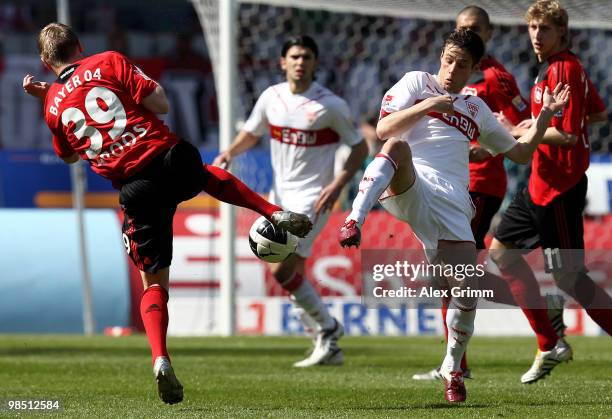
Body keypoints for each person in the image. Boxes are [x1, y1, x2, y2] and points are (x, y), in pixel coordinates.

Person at [23, 23, 313, 405]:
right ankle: (272, 211)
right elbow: (160, 103)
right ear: (80, 45)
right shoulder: (108, 60)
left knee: (154, 283)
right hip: (166, 157)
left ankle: (160, 358)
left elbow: (68, 155)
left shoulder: (52, 104)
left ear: (46, 62)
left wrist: (52, 96)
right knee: (204, 174)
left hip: (134, 189)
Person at [338, 29, 569, 402]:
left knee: (466, 291)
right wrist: (428, 107)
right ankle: (354, 220)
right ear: (440, 56)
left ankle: (452, 368)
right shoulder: (417, 82)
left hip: (454, 204)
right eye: (447, 59)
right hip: (411, 183)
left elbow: (521, 154)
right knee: (396, 145)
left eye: (461, 65)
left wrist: (544, 117)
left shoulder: (476, 108)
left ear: (475, 68)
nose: (450, 70)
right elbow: (383, 130)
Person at [213, 35, 368, 367]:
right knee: (287, 269)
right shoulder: (271, 97)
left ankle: (327, 328)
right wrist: (230, 151)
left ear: (315, 63)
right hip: (279, 196)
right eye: (295, 56)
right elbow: (253, 132)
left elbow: (360, 147)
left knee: (281, 269)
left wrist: (340, 182)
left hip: (315, 197)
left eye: (307, 57)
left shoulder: (331, 105)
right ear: (283, 62)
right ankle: (326, 344)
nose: (301, 62)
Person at [489, 0, 612, 384]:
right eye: (532, 29)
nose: (537, 36)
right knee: (501, 253)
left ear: (562, 32)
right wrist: (536, 121)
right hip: (538, 185)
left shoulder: (565, 68)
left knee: (569, 278)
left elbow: (570, 133)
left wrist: (516, 131)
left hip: (561, 188)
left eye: (544, 29)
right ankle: (549, 341)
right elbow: (596, 114)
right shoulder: (552, 68)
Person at [412, 5, 532, 382]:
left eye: (477, 29)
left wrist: (491, 144)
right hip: (446, 183)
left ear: (489, 34)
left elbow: (521, 124)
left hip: (480, 183)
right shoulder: (439, 78)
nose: (471, 33)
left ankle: (456, 364)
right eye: (464, 28)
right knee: (451, 269)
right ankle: (455, 361)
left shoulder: (496, 77)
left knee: (456, 268)